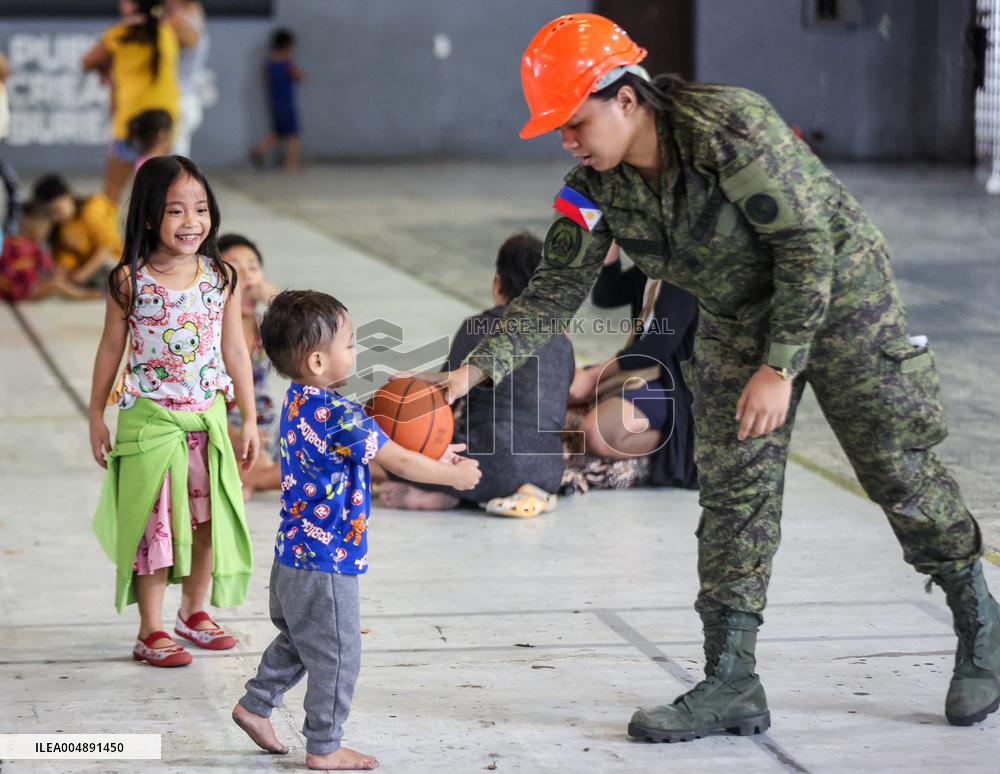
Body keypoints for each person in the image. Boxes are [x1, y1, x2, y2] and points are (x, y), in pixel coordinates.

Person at [415, 13, 1000, 739]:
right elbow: (549, 297)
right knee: (733, 493)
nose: (567, 140)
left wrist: (780, 366)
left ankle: (981, 627)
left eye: (573, 122)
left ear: (625, 98)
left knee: (895, 468)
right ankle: (731, 680)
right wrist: (473, 373)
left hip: (841, 296)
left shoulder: (727, 126)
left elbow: (807, 243)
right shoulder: (592, 188)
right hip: (733, 317)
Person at [232, 290, 480, 770]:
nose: (356, 351)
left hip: (292, 557)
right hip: (326, 563)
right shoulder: (341, 415)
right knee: (338, 654)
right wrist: (451, 475)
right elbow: (396, 458)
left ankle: (255, 704)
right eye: (350, 343)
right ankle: (325, 746)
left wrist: (433, 452)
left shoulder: (300, 402)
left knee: (303, 642)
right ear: (319, 359)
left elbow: (384, 444)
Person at [89, 155, 258, 668]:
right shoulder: (129, 281)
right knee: (152, 525)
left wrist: (247, 416)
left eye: (200, 209)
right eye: (176, 211)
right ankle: (151, 629)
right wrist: (95, 414)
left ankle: (194, 612)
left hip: (206, 421)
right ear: (147, 218)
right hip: (150, 422)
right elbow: (109, 349)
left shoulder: (221, 277)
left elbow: (234, 351)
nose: (191, 222)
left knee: (207, 522)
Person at [379, 232, 574, 516]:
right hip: (548, 470)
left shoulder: (477, 326)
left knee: (386, 446)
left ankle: (450, 493)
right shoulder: (561, 339)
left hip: (487, 464)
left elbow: (442, 403)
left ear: (497, 284)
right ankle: (511, 494)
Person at [568, 241, 698, 489]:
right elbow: (606, 296)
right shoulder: (652, 265)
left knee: (595, 431)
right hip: (640, 370)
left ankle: (679, 449)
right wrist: (610, 246)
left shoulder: (686, 268)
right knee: (561, 390)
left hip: (675, 382)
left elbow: (658, 347)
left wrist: (594, 376)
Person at [82, 0, 181, 204]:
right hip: (164, 120)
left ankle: (111, 235)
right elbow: (193, 36)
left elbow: (88, 61)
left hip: (130, 120)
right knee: (164, 194)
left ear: (132, 6)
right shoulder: (168, 33)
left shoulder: (119, 34)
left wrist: (106, 71)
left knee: (112, 194)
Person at [218, 233, 280, 497]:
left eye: (253, 267)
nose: (246, 276)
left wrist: (277, 299)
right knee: (251, 472)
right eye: (234, 268)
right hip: (224, 428)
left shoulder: (265, 327)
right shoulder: (208, 330)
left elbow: (315, 334)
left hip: (267, 425)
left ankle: (254, 476)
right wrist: (235, 435)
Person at [31, 175, 122, 290]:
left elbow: (107, 248)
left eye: (57, 210)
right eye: (50, 214)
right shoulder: (63, 226)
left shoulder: (93, 209)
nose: (55, 218)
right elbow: (66, 258)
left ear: (69, 197)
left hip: (116, 261)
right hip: (90, 270)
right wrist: (60, 274)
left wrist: (83, 274)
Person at [0, 200, 99, 301]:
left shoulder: (8, 242)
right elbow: (51, 268)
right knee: (56, 283)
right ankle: (81, 295)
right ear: (40, 230)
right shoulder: (35, 247)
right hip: (25, 291)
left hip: (4, 289)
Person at [250, 29, 304, 173]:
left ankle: (259, 151)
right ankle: (291, 165)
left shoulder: (269, 63)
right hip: (286, 102)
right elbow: (299, 76)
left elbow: (264, 80)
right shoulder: (287, 63)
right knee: (293, 134)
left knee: (277, 132)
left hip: (274, 102)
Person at [165, 0, 209, 158]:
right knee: (173, 160)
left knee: (174, 162)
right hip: (185, 99)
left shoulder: (179, 23)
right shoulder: (195, 12)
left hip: (179, 100)